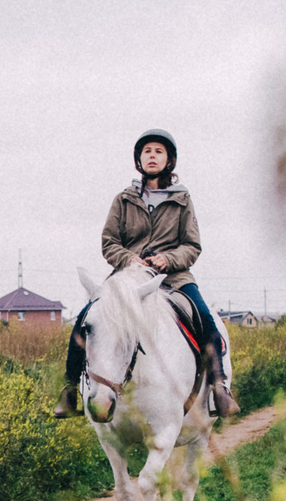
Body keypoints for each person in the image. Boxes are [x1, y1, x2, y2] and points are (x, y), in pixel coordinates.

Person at [55, 128, 236, 420]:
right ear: (139, 160)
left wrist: (168, 259)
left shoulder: (183, 199)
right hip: (126, 277)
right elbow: (109, 242)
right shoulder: (123, 199)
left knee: (206, 320)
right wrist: (130, 259)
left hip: (173, 278)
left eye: (158, 151)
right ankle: (70, 389)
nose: (152, 156)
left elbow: (192, 245)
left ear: (169, 160)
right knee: (87, 318)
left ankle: (218, 388)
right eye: (147, 151)